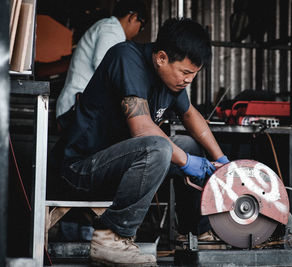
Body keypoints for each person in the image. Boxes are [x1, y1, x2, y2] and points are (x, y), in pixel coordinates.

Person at [52, 18, 229, 266]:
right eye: (186, 73)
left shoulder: (171, 80)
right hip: (82, 167)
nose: (188, 80)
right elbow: (142, 128)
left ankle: (194, 235)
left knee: (188, 145)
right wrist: (188, 162)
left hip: (121, 167)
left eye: (194, 75)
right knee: (159, 146)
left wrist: (221, 161)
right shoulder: (127, 58)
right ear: (162, 58)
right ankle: (110, 240)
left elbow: (190, 114)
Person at [56, 0, 147, 131]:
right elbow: (104, 65)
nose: (138, 32)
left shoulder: (107, 27)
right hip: (76, 109)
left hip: (80, 107)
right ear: (133, 17)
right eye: (141, 27)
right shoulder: (111, 30)